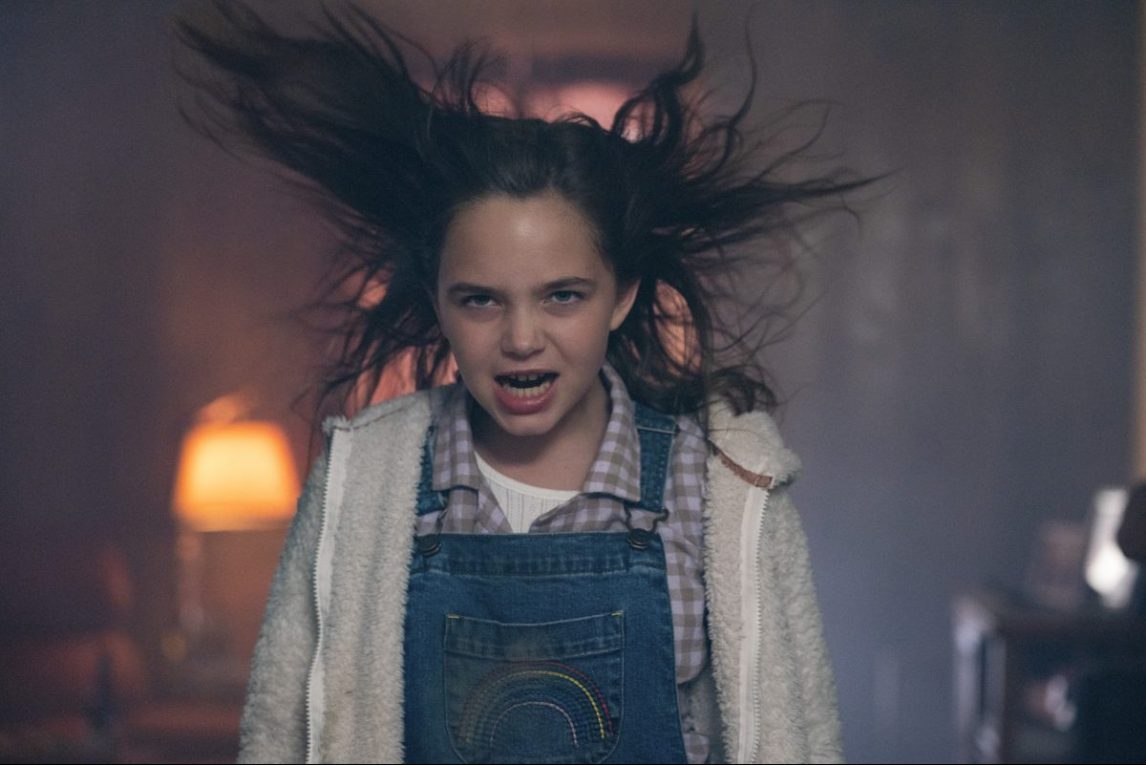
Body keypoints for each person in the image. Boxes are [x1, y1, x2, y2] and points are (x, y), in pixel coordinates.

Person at [176, 2, 870, 762]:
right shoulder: (363, 484)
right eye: (481, 300)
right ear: (437, 301)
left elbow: (798, 739)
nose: (521, 339)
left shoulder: (722, 490)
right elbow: (281, 738)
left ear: (623, 295)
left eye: (562, 296)